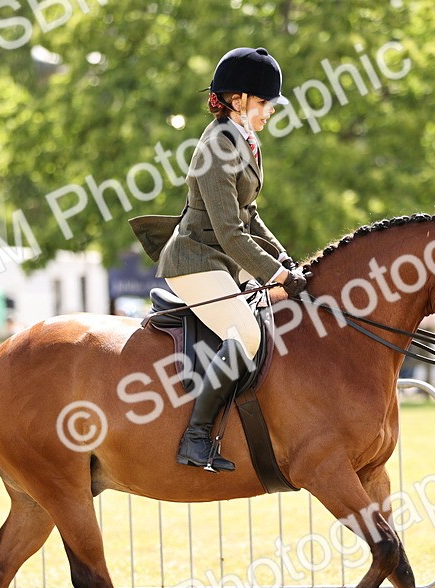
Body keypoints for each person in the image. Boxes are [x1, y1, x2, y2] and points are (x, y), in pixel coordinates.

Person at [132, 47, 310, 472]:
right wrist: (277, 274)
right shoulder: (217, 147)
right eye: (265, 102)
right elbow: (231, 233)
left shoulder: (242, 140)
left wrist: (284, 257)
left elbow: (250, 216)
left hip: (219, 260)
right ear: (239, 100)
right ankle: (195, 439)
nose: (270, 111)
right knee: (246, 335)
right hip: (194, 263)